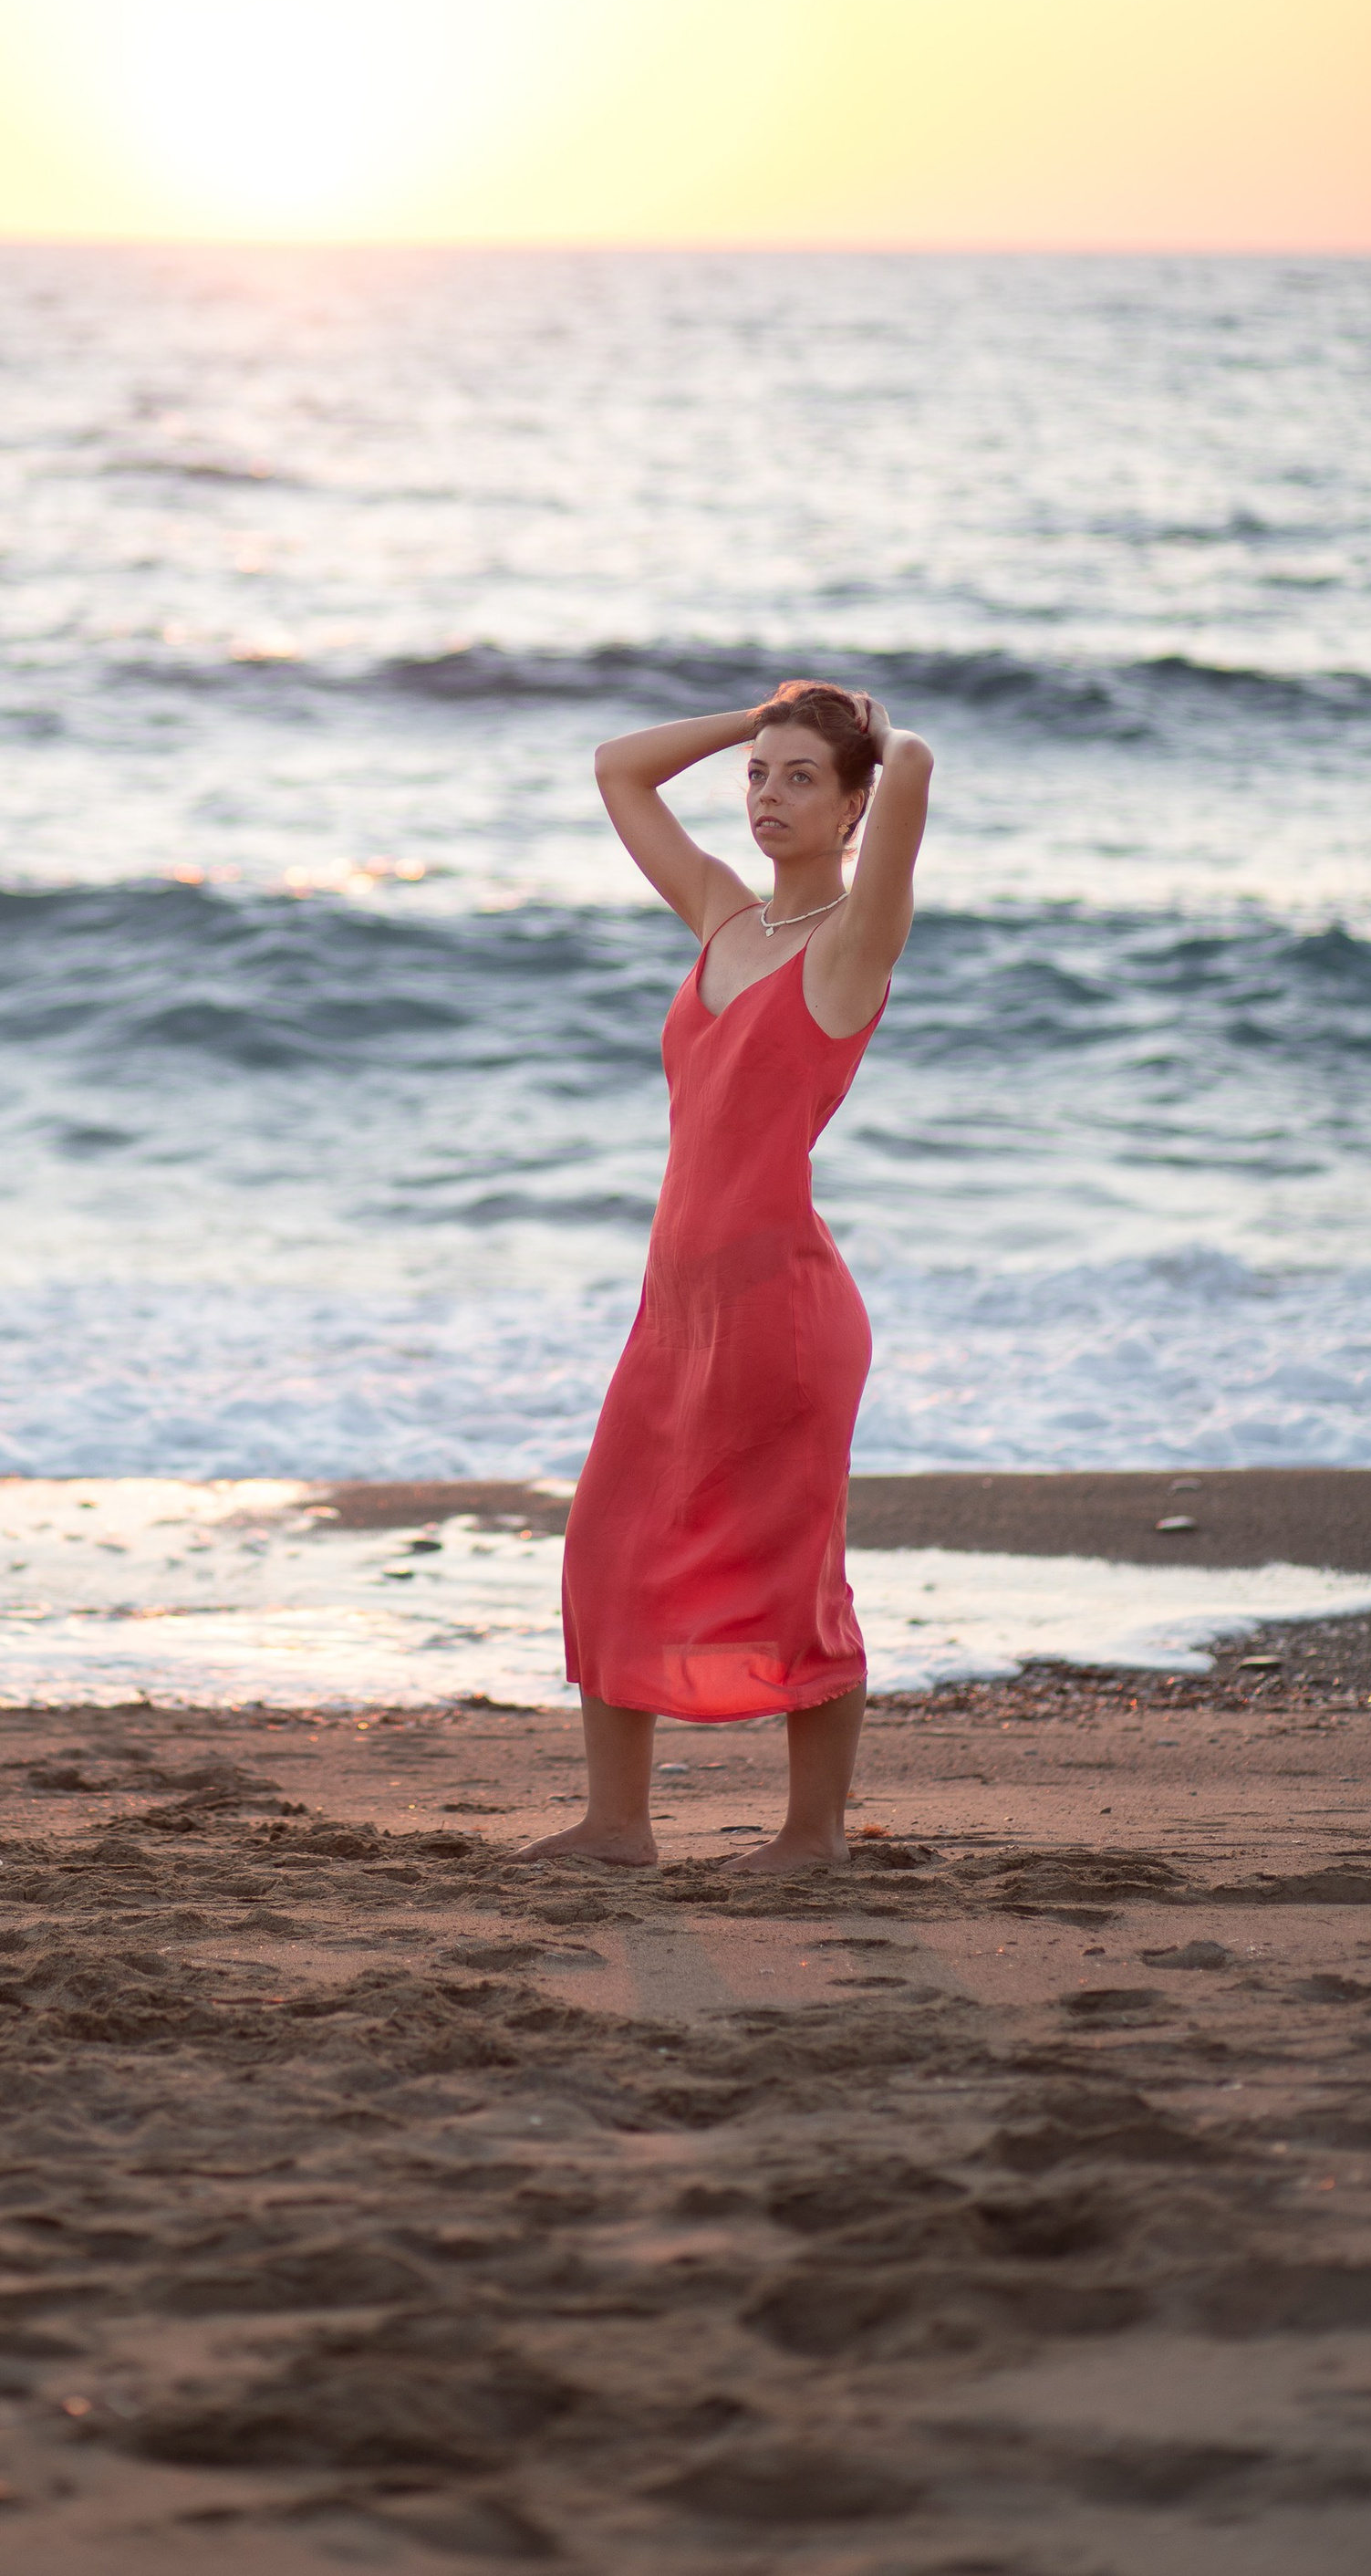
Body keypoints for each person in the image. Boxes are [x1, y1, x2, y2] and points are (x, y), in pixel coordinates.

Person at [516, 681, 932, 1874]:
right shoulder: (723, 918)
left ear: (852, 806)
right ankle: (618, 1824)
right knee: (606, 1541)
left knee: (793, 1570)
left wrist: (882, 739)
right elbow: (616, 768)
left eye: (802, 778)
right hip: (676, 1309)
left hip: (779, 1316)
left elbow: (914, 775)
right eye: (760, 776)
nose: (767, 795)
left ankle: (812, 1837)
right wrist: (755, 718)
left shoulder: (853, 948)